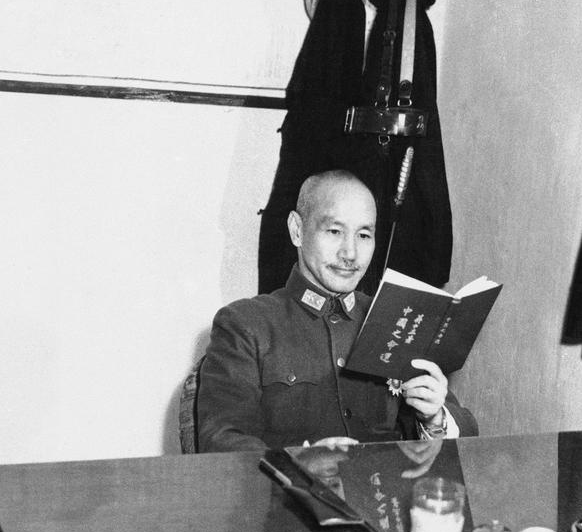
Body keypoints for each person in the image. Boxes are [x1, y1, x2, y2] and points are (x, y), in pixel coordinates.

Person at [197, 169, 476, 452]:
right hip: (290, 494)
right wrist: (300, 462)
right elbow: (220, 440)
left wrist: (434, 418)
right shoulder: (246, 325)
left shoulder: (395, 316)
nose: (350, 253)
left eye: (364, 235)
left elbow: (467, 428)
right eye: (334, 231)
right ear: (297, 230)